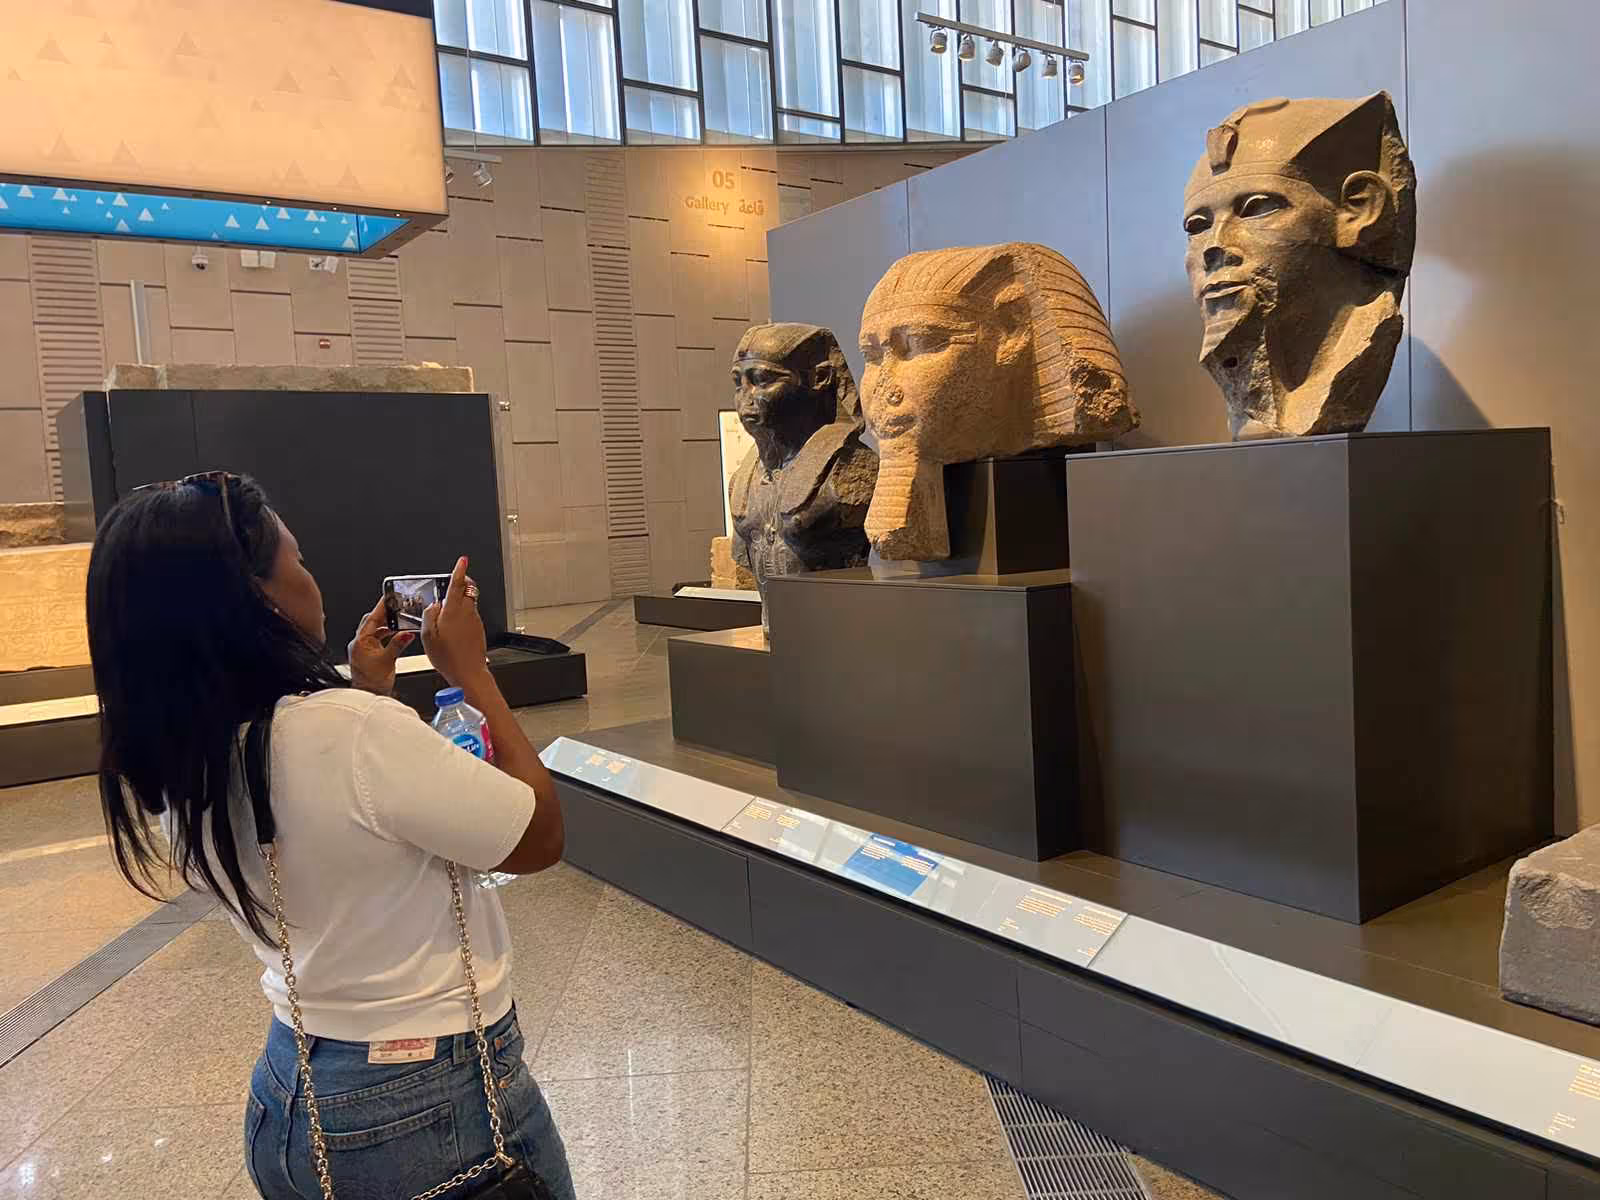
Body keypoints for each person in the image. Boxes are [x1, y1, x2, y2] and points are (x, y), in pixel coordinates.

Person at [87, 472, 576, 1200]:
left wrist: (364, 690)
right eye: (300, 560)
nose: (312, 577)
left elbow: (320, 826)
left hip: (291, 1092)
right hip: (428, 1102)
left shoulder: (170, 757)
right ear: (258, 596)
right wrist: (471, 672)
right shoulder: (350, 734)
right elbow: (538, 837)